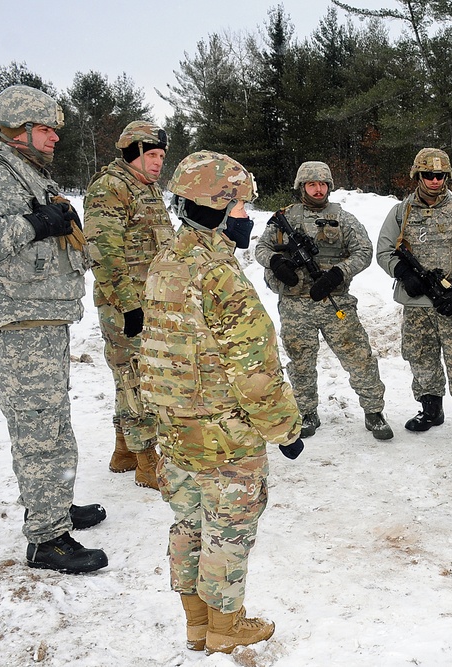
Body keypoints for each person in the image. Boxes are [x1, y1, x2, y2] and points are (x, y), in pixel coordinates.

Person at [138, 151, 303, 654]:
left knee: (187, 523)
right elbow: (254, 371)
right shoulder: (219, 275)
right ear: (218, 205)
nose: (247, 217)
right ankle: (225, 628)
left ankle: (196, 623)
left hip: (174, 430)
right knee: (228, 531)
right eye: (240, 207)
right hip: (224, 434)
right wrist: (286, 431)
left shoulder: (166, 260)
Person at [0, 85, 107, 574]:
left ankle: (54, 506)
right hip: (15, 323)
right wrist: (35, 225)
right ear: (20, 129)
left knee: (52, 423)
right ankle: (45, 538)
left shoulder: (29, 178)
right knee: (39, 430)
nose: (56, 136)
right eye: (46, 129)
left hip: (40, 319)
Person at [255, 161, 393, 441]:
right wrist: (276, 262)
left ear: (329, 186)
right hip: (294, 305)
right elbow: (261, 247)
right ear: (301, 186)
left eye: (322, 184)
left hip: (334, 300)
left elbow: (364, 251)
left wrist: (338, 274)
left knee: (358, 357)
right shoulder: (284, 217)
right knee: (300, 362)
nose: (318, 190)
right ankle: (306, 412)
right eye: (312, 184)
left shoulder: (343, 218)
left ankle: (374, 411)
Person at [376, 148, 452, 443]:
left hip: (450, 300)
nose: (435, 180)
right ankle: (431, 409)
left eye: (440, 175)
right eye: (429, 175)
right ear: (418, 176)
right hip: (415, 304)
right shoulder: (401, 212)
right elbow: (384, 250)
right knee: (421, 357)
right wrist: (403, 272)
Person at [84, 120, 173, 490]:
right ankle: (147, 459)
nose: (158, 163)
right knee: (138, 379)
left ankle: (124, 449)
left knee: (128, 376)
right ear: (133, 152)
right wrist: (128, 305)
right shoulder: (111, 188)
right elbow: (103, 253)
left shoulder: (146, 189)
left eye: (162, 156)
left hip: (148, 301)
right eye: (152, 155)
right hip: (126, 304)